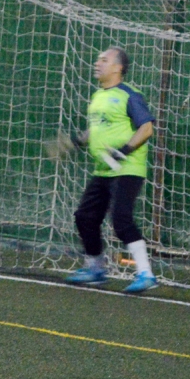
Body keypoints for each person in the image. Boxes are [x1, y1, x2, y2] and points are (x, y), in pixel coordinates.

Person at [66, 46, 157, 293]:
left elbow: (146, 128)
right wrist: (75, 142)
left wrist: (123, 151)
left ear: (118, 68)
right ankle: (95, 269)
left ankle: (146, 274)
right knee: (85, 217)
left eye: (104, 60)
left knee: (121, 220)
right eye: (98, 60)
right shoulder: (98, 96)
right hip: (103, 170)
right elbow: (97, 129)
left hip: (127, 168)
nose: (97, 63)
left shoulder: (129, 95)